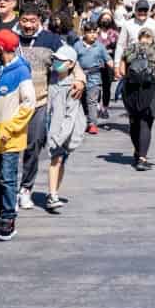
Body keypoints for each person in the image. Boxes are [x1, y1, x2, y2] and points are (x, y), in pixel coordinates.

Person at [0, 28, 34, 239]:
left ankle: (8, 218)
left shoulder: (21, 71)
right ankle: (3, 207)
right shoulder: (0, 69)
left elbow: (28, 104)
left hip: (11, 136)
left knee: (7, 178)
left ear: (1, 48)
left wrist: (10, 129)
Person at [15, 7, 61, 211]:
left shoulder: (51, 40)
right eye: (24, 20)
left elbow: (67, 61)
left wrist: (78, 78)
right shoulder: (11, 38)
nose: (28, 25)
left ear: (39, 20)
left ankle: (25, 188)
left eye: (32, 21)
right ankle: (8, 190)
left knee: (33, 145)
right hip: (11, 103)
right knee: (9, 148)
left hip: (39, 102)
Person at [115, 25, 155, 170]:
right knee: (146, 123)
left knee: (134, 122)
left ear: (139, 38)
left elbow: (121, 71)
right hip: (150, 90)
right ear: (152, 39)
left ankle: (137, 151)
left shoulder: (129, 49)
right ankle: (142, 158)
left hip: (131, 90)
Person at [42, 41, 87, 208]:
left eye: (62, 60)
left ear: (71, 64)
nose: (57, 62)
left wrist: (59, 137)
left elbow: (70, 116)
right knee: (58, 161)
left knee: (58, 160)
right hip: (50, 123)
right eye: (56, 59)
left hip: (63, 131)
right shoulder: (51, 77)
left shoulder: (72, 86)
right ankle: (53, 193)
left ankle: (53, 194)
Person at [74, 20, 110, 135]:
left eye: (95, 32)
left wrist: (117, 69)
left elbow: (108, 59)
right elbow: (73, 60)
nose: (93, 35)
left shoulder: (99, 46)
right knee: (80, 100)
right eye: (90, 32)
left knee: (92, 101)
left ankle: (92, 124)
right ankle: (82, 121)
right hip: (80, 76)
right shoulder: (77, 45)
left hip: (94, 76)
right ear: (84, 33)